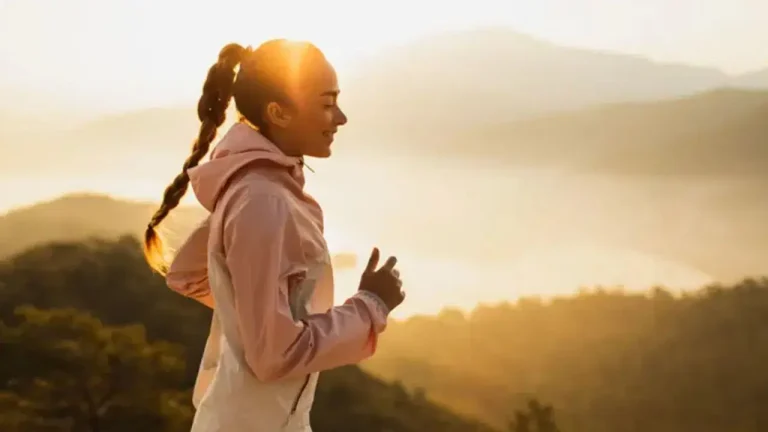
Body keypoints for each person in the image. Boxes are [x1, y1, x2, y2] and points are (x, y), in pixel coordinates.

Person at [142, 40, 406, 432]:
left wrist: (260, 312)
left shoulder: (254, 188)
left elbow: (190, 275)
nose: (341, 118)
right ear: (278, 113)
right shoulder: (262, 199)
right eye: (327, 103)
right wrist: (370, 305)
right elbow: (274, 355)